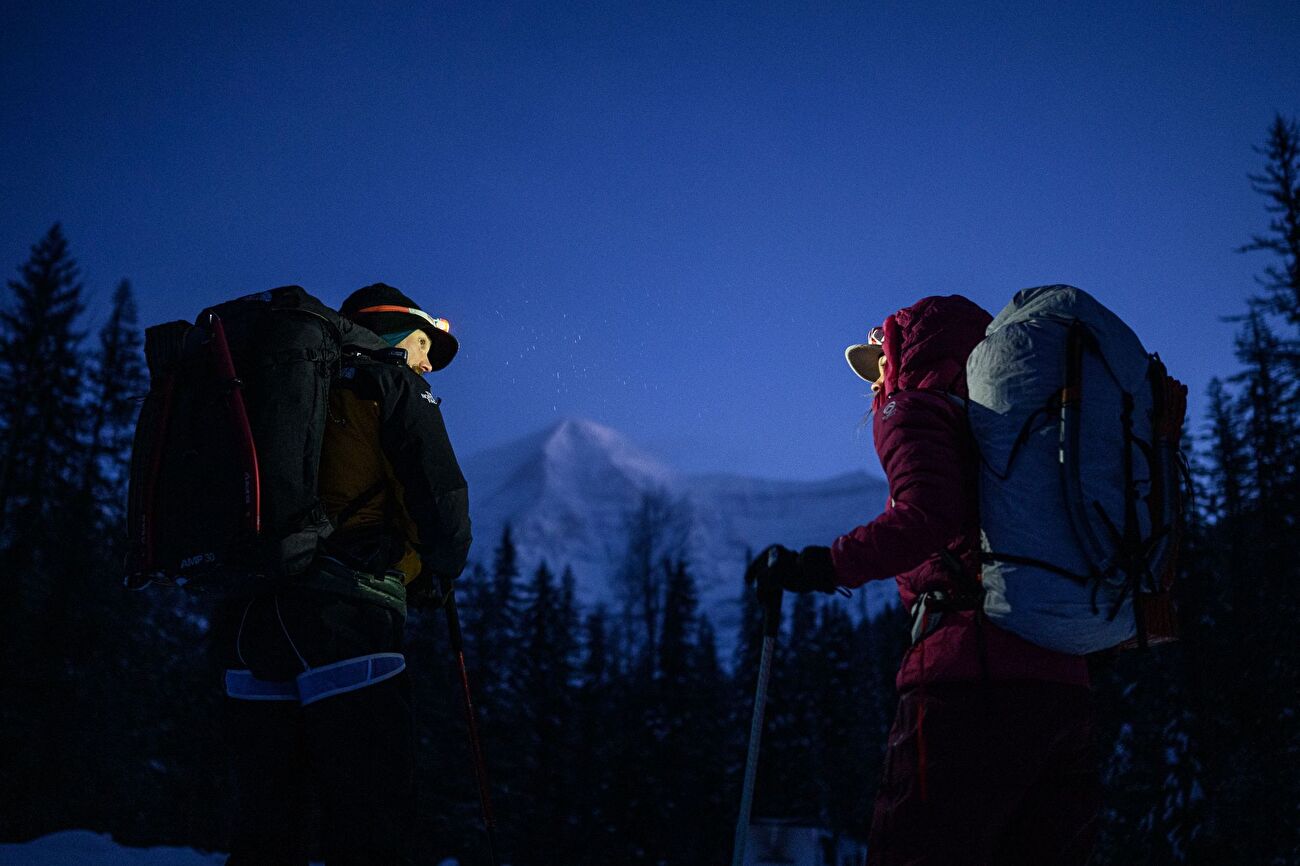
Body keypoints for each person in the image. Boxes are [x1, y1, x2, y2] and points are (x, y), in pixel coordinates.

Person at [746, 294, 1098, 866]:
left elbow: (926, 516)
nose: (875, 382)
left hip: (966, 679)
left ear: (909, 352)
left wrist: (817, 566)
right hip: (1064, 683)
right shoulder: (1017, 426)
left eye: (880, 362)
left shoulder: (912, 409)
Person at [217, 282, 472, 866]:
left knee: (267, 821)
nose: (429, 359)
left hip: (250, 620)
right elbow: (442, 504)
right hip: (345, 617)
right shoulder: (390, 383)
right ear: (390, 330)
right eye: (424, 342)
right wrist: (438, 571)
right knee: (370, 814)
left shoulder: (272, 383)